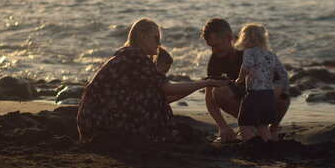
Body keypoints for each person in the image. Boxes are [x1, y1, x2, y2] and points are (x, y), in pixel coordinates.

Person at [77, 18, 227, 144]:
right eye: (156, 38)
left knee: (157, 104)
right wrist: (205, 83)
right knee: (176, 132)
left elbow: (162, 97)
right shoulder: (136, 57)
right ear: (142, 36)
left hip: (93, 120)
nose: (159, 44)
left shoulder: (128, 55)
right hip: (102, 123)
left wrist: (199, 84)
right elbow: (167, 90)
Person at [202, 18, 290, 143]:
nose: (214, 50)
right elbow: (209, 96)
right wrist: (223, 126)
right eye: (211, 46)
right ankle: (253, 127)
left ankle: (272, 130)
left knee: (283, 97)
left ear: (229, 38)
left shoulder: (248, 50)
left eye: (216, 46)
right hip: (243, 99)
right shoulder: (215, 59)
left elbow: (279, 80)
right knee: (218, 92)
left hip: (263, 98)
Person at [234, 23, 288, 142]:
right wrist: (282, 89)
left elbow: (246, 67)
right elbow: (284, 74)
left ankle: (250, 146)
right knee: (263, 125)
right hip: (268, 95)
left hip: (254, 94)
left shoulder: (249, 52)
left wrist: (240, 79)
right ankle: (269, 146)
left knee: (244, 123)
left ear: (245, 38)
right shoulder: (271, 55)